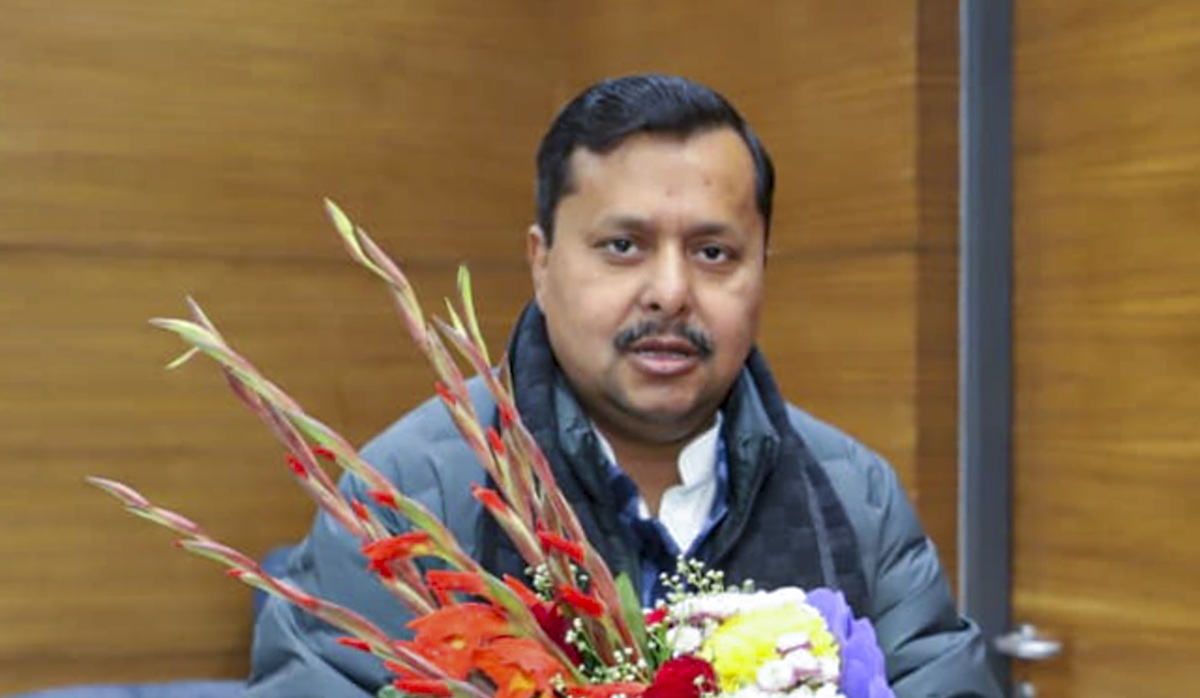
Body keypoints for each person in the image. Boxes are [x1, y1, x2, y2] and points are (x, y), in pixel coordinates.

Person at [246, 74, 1001, 698]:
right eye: (623, 246)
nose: (670, 293)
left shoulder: (857, 496)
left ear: (762, 269)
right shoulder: (406, 494)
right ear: (542, 262)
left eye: (713, 252)